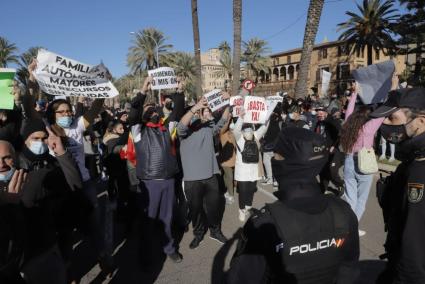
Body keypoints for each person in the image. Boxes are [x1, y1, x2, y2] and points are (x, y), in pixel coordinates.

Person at [227, 127, 359, 284]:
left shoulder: (264, 225)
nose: (273, 160)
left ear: (289, 163)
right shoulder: (343, 211)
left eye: (277, 155)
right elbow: (350, 269)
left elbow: (240, 279)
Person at [370, 87, 425, 284]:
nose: (384, 124)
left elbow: (415, 247)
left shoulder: (419, 170)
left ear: (421, 120)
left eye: (392, 118)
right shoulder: (412, 161)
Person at [128, 76, 185, 263]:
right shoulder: (138, 131)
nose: (152, 111)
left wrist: (179, 91)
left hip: (168, 180)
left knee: (167, 219)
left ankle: (169, 248)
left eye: (154, 109)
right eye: (148, 109)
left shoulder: (167, 128)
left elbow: (177, 111)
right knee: (149, 220)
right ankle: (145, 252)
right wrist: (143, 91)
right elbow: (133, 114)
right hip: (149, 183)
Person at [177, 93, 230, 249]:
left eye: (202, 111)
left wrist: (228, 104)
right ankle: (198, 234)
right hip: (192, 180)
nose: (202, 113)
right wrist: (195, 108)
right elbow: (181, 125)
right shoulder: (183, 133)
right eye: (195, 113)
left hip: (211, 177)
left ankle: (215, 231)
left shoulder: (208, 128)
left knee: (214, 207)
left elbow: (223, 121)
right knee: (196, 211)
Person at [340, 82, 387, 237]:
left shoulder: (348, 125)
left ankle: (347, 226)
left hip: (348, 161)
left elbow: (349, 111)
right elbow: (384, 112)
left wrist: (355, 94)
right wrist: (391, 90)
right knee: (361, 201)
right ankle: (352, 228)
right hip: (363, 163)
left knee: (350, 198)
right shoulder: (368, 128)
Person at [233, 115, 269, 222]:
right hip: (242, 171)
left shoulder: (256, 136)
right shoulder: (239, 137)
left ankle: (248, 207)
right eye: (246, 129)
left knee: (251, 190)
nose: (248, 130)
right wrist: (241, 116)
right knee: (243, 191)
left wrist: (268, 115)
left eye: (250, 128)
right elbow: (236, 129)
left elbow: (264, 127)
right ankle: (242, 210)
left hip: (254, 170)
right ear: (243, 130)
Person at [218, 118, 237, 205]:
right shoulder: (221, 133)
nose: (231, 124)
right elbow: (224, 127)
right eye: (230, 122)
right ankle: (231, 196)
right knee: (229, 177)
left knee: (226, 176)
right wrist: (228, 118)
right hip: (225, 160)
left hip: (233, 159)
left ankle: (226, 191)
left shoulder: (233, 133)